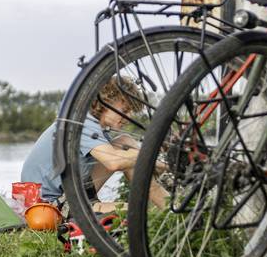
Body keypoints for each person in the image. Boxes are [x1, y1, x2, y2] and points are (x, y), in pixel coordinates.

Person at [21, 75, 168, 213]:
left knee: (124, 142)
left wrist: (163, 164)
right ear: (105, 101)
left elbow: (127, 157)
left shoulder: (91, 124)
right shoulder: (81, 123)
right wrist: (151, 155)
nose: (128, 117)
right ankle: (169, 209)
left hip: (70, 194)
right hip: (49, 207)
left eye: (131, 112)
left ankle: (169, 206)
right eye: (125, 110)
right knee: (134, 211)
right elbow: (114, 163)